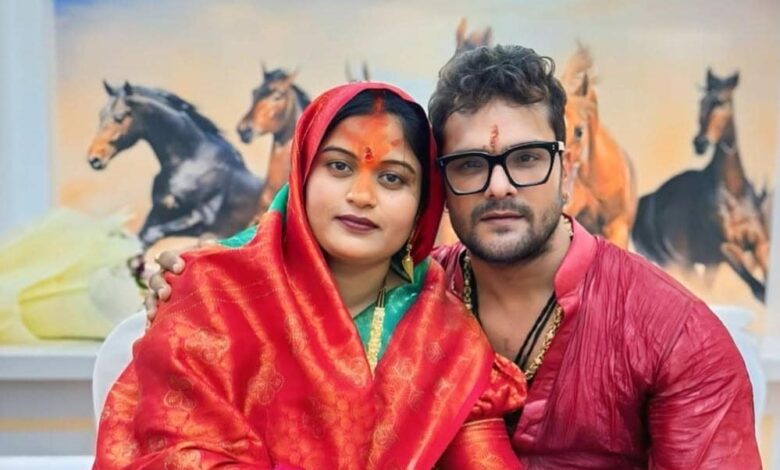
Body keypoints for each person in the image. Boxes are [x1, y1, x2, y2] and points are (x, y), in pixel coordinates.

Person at [148, 46, 762, 468]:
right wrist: (192, 281)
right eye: (471, 164)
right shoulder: (408, 291)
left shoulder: (678, 337)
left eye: (527, 159)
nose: (499, 186)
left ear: (568, 172)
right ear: (440, 187)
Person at [94, 82, 526, 469]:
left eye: (392, 178)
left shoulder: (447, 339)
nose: (361, 195)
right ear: (301, 176)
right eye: (339, 167)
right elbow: (178, 451)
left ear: (422, 207)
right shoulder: (210, 294)